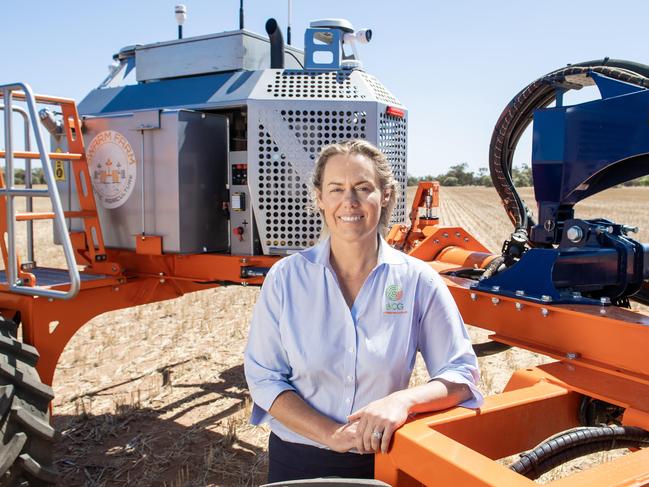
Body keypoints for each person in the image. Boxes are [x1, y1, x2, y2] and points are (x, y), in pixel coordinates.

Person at [244, 140, 483, 482]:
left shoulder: (418, 281)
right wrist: (331, 434)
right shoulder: (286, 278)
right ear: (319, 198)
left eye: (362, 188)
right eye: (336, 189)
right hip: (297, 459)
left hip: (382, 460)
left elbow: (461, 375)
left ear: (385, 195)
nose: (349, 202)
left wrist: (404, 401)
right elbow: (264, 377)